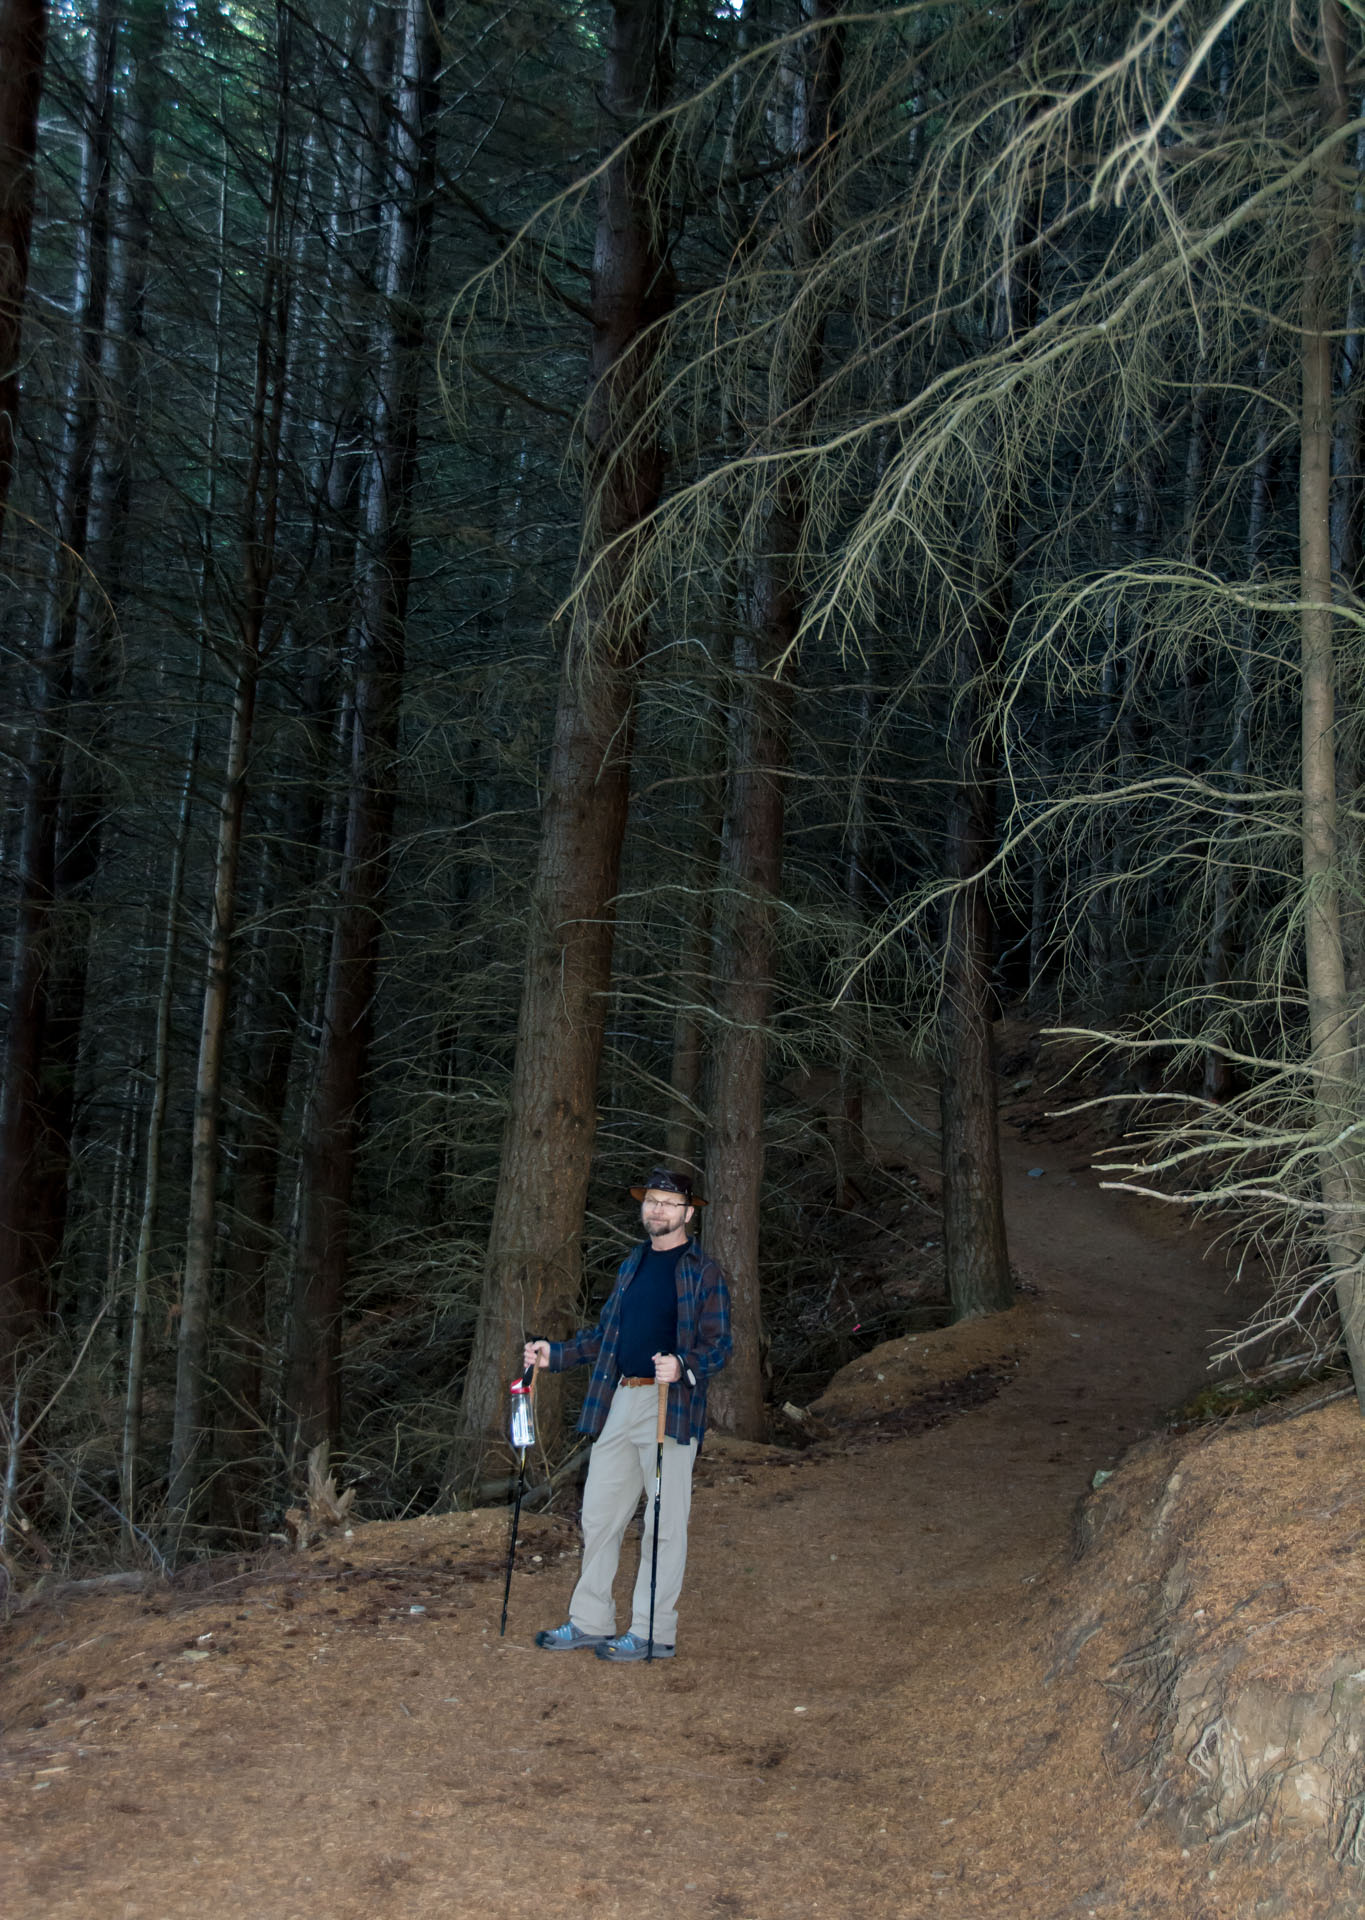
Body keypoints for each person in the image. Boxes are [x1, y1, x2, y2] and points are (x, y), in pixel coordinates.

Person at [524, 1167, 731, 1662]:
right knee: (598, 1513)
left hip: (670, 1407)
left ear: (687, 1212)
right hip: (622, 1397)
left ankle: (653, 1632)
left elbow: (720, 1345)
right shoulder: (633, 1264)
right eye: (651, 1201)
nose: (657, 1209)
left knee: (663, 1522)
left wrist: (683, 1364)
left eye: (667, 1202)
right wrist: (554, 1354)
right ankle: (591, 1620)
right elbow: (604, 1338)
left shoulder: (703, 1272)